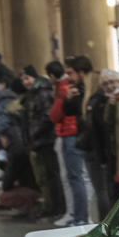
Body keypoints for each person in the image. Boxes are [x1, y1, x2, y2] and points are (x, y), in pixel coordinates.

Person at [48, 60, 90, 226]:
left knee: (77, 177)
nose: (68, 76)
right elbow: (64, 110)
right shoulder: (70, 89)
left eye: (71, 72)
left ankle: (81, 217)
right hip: (70, 134)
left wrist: (66, 98)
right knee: (74, 177)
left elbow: (56, 115)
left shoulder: (73, 88)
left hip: (73, 134)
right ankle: (77, 215)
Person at [22, 67, 64, 219]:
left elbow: (46, 117)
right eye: (23, 79)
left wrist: (34, 134)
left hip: (46, 140)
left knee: (52, 175)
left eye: (27, 78)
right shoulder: (34, 94)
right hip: (40, 140)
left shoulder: (42, 93)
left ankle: (57, 208)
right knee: (46, 176)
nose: (25, 82)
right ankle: (51, 206)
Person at [81, 69, 119, 218]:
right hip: (108, 155)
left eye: (112, 82)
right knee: (107, 192)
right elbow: (98, 132)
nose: (109, 86)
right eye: (105, 84)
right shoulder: (99, 105)